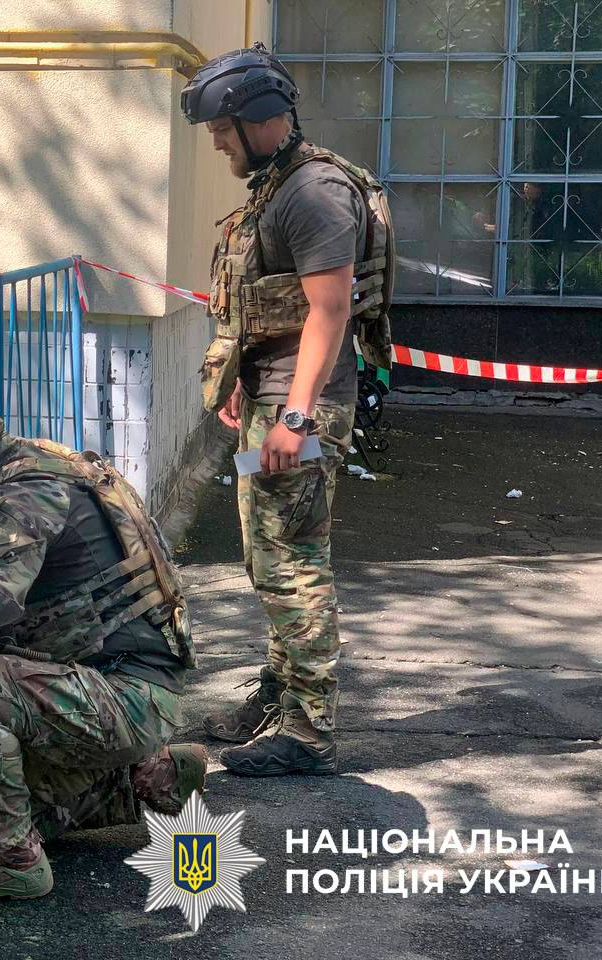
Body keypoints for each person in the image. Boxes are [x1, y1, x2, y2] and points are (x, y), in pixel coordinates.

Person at [0, 383, 205, 906]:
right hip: (126, 686)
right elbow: (16, 580)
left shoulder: (25, 492)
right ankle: (152, 776)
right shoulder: (34, 469)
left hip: (124, 696)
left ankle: (11, 865)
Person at [180, 43, 395, 777]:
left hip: (302, 409)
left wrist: (296, 416)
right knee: (268, 557)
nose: (214, 142)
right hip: (272, 400)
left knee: (293, 561)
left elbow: (328, 312)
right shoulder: (279, 186)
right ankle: (279, 697)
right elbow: (262, 308)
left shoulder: (314, 194)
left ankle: (309, 732)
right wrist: (246, 384)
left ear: (254, 119)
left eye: (219, 128)